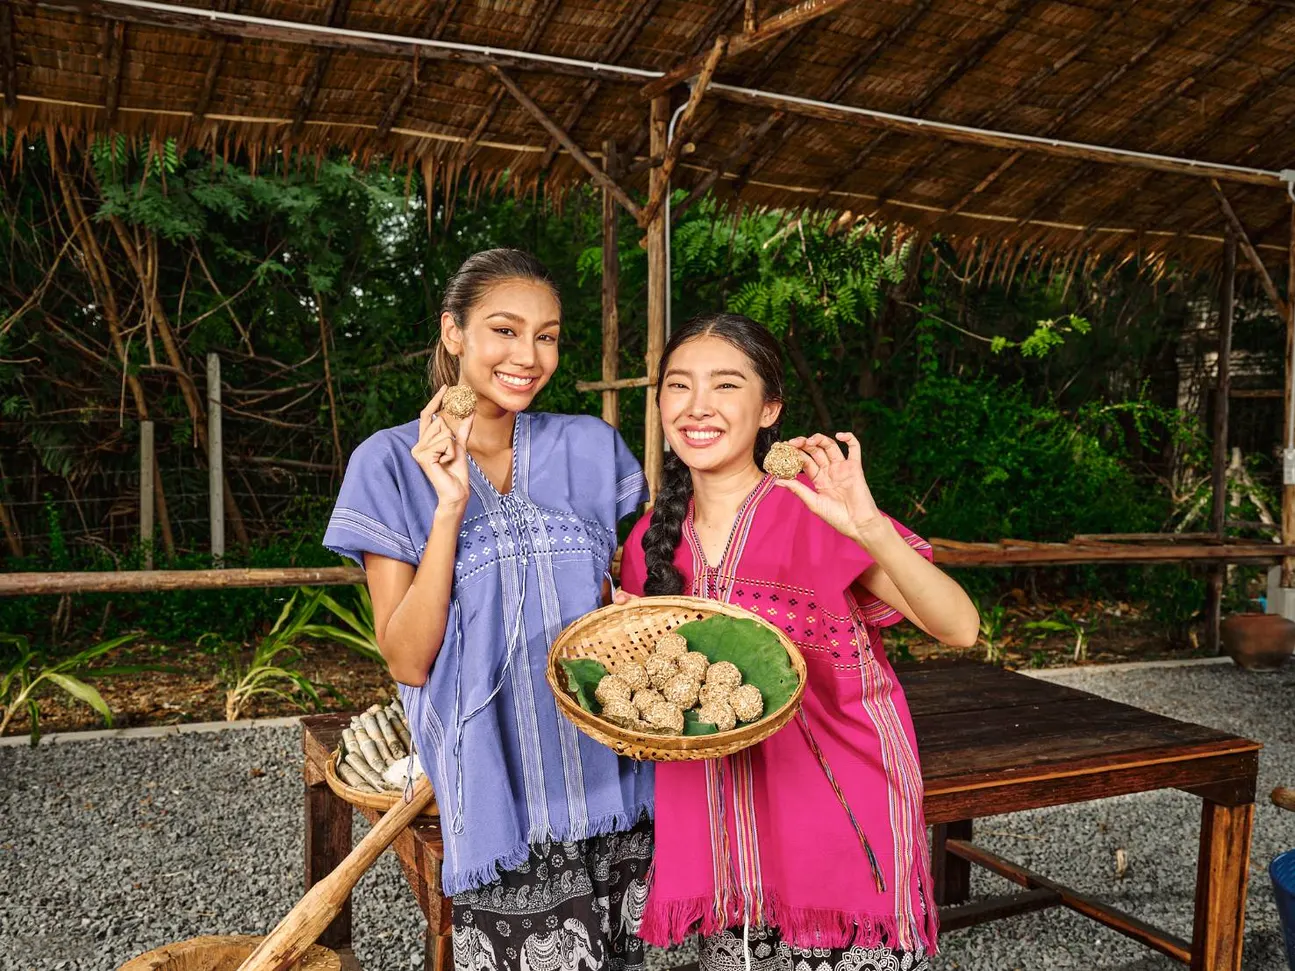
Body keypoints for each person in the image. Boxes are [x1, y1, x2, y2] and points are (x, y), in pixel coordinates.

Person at [324, 249, 653, 971]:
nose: (528, 356)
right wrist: (448, 508)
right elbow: (407, 658)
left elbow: (635, 598)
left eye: (547, 335)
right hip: (499, 788)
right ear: (453, 333)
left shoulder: (591, 448)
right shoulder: (386, 462)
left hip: (611, 774)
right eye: (504, 330)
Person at [618, 312, 979, 971]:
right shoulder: (648, 541)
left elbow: (958, 624)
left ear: (769, 408)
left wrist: (868, 525)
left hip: (839, 822)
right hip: (718, 839)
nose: (696, 406)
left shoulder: (818, 508)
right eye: (678, 385)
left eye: (725, 385)